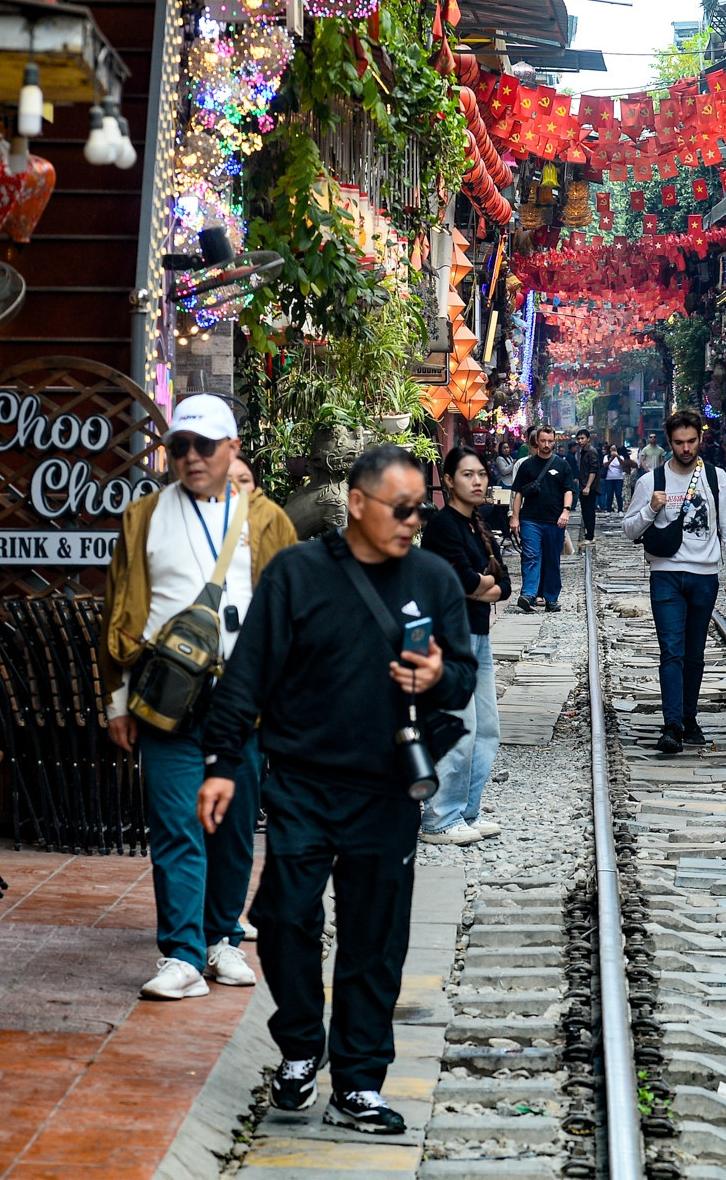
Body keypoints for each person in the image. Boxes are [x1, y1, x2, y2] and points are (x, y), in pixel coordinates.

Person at [197, 444, 476, 1134]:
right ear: (357, 503)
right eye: (401, 508)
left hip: (386, 787)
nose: (415, 520)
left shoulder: (436, 579)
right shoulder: (298, 572)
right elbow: (250, 673)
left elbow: (463, 679)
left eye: (421, 507)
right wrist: (223, 763)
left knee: (373, 937)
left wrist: (435, 677)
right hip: (301, 781)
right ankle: (299, 1046)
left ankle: (358, 1080)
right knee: (286, 916)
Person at [100, 395, 297, 1001]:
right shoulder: (143, 518)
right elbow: (118, 613)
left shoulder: (266, 521)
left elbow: (292, 612)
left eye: (203, 446)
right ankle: (182, 953)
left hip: (244, 702)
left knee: (235, 827)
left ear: (232, 449)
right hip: (163, 698)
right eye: (178, 446)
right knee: (176, 826)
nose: (189, 457)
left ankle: (222, 940)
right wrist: (115, 703)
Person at [621, 410, 726, 755]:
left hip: (705, 577)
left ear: (700, 439)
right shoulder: (651, 481)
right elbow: (629, 529)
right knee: (671, 651)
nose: (686, 448)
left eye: (691, 441)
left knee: (694, 653)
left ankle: (689, 718)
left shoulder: (716, 479)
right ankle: (672, 724)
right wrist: (650, 510)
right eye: (679, 442)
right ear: (669, 442)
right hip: (666, 575)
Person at [419, 447, 507, 847]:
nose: (478, 481)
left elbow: (502, 585)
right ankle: (440, 817)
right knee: (460, 728)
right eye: (468, 474)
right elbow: (467, 584)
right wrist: (480, 585)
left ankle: (467, 810)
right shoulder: (442, 527)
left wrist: (480, 586)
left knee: (487, 729)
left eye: (482, 474)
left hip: (479, 636)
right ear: (449, 480)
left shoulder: (478, 525)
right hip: (449, 639)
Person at [509, 425, 572, 612]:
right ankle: (529, 594)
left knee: (552, 558)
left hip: (555, 520)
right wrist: (515, 517)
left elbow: (568, 490)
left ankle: (551, 598)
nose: (546, 445)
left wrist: (566, 511)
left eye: (550, 441)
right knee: (531, 556)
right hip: (530, 519)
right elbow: (518, 493)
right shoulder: (526, 465)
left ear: (554, 441)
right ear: (536, 441)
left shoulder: (562, 465)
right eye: (543, 441)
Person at [603, 444, 628, 510]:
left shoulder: (621, 457)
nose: (612, 450)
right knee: (609, 494)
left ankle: (620, 509)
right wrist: (611, 458)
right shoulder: (606, 457)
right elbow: (605, 465)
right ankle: (609, 509)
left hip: (619, 478)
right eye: (611, 449)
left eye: (614, 449)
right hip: (609, 478)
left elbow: (623, 464)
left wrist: (617, 457)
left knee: (618, 494)